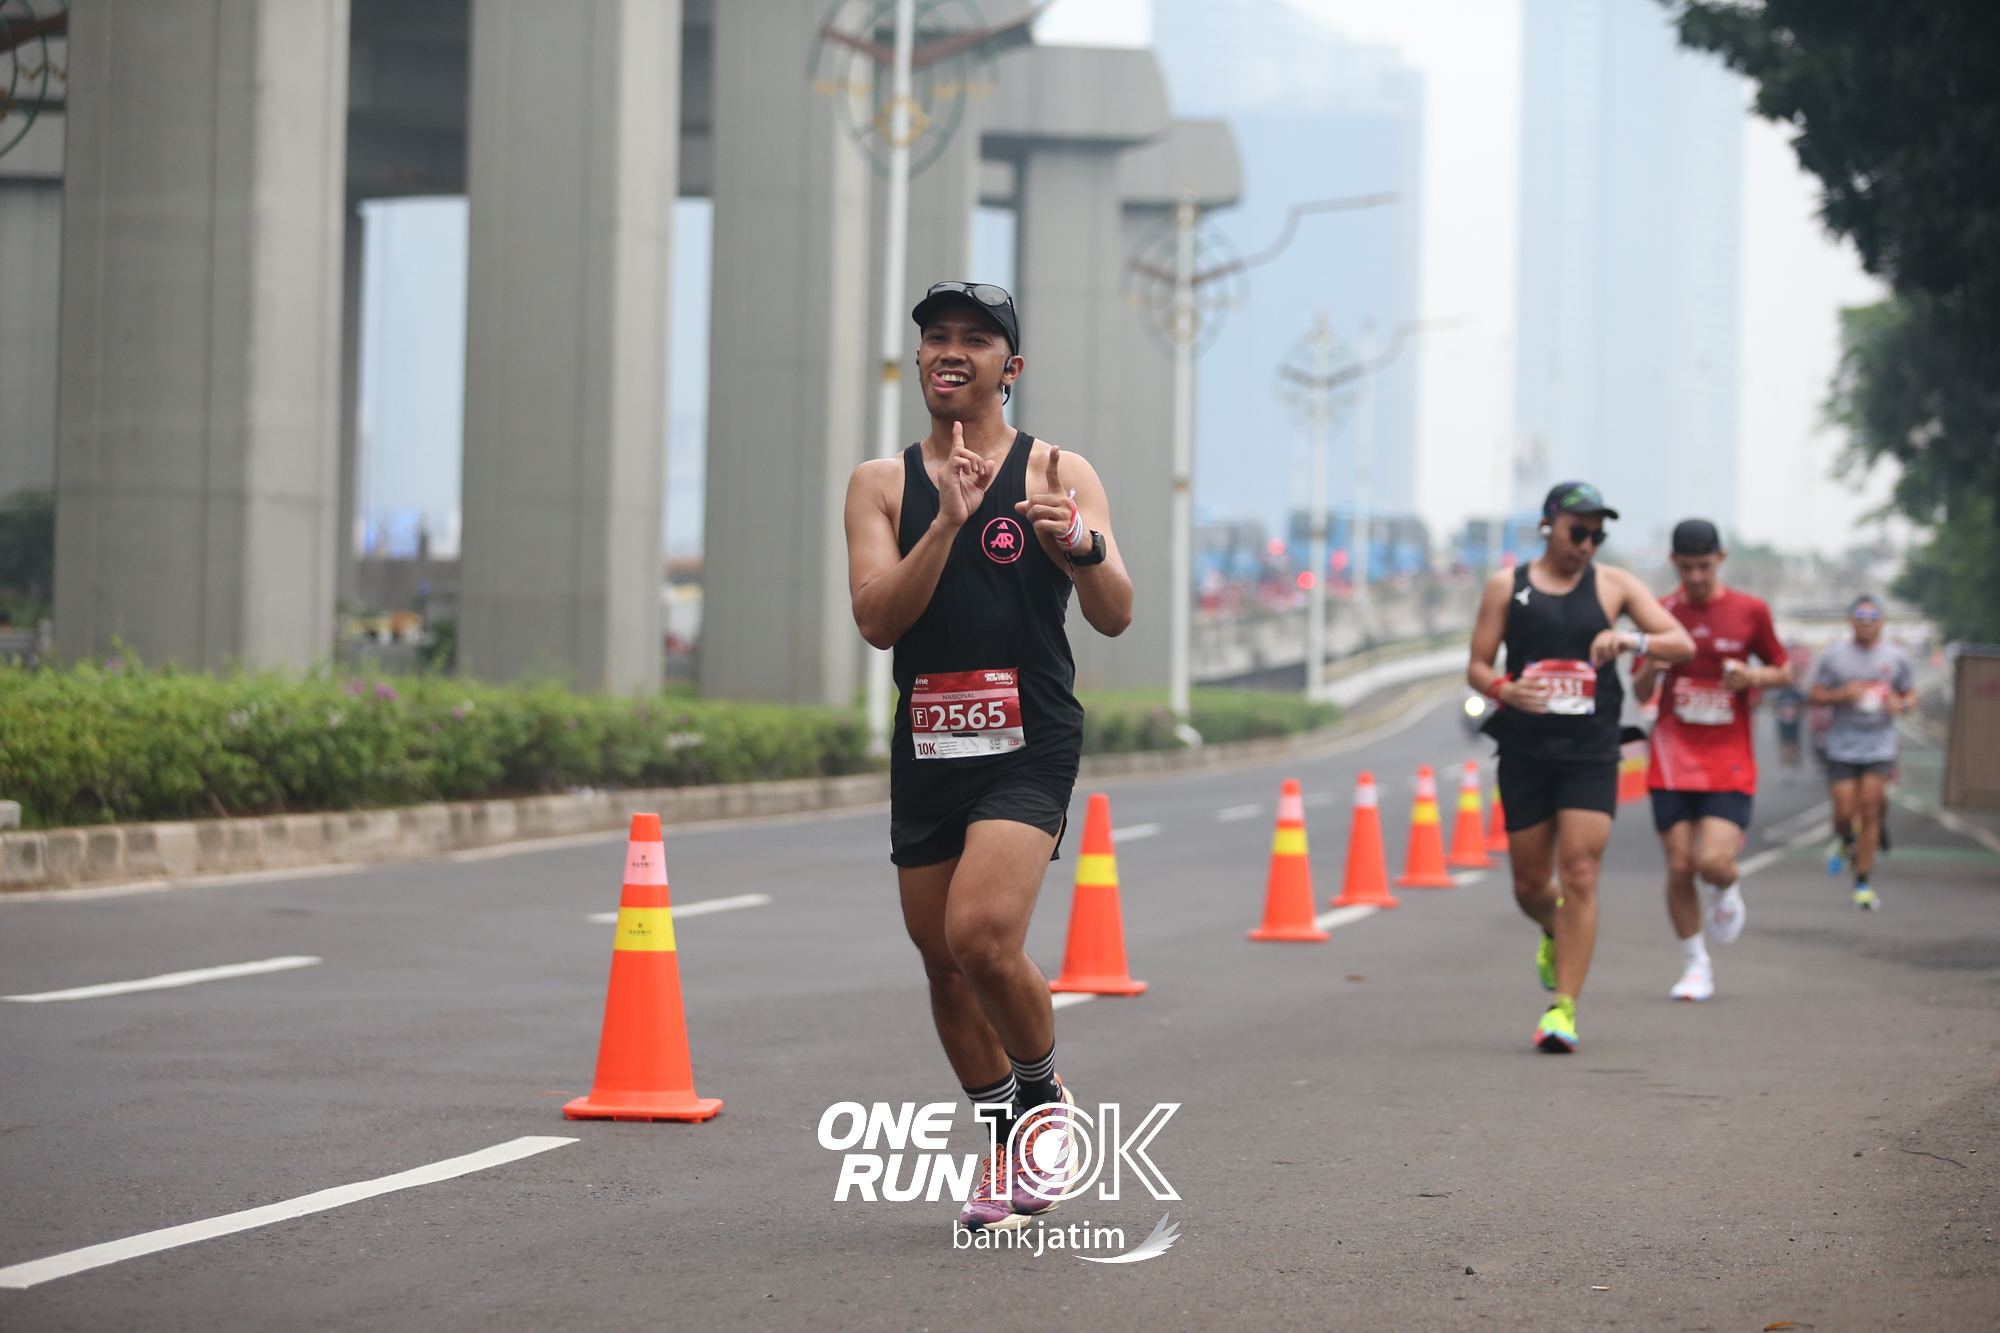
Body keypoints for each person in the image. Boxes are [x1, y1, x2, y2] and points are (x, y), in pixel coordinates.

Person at [843, 281, 1133, 1231]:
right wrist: (946, 523)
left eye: (975, 339)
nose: (952, 351)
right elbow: (878, 620)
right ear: (920, 359)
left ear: (1011, 367)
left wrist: (1083, 544)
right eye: (937, 336)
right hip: (930, 741)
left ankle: (1044, 1104)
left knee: (981, 937)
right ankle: (1007, 1139)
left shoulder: (1056, 469)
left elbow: (1116, 613)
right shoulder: (880, 485)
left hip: (1028, 738)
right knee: (942, 963)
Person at [1468, 482, 1693, 1053]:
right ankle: (1554, 926)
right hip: (1525, 750)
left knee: (1582, 873)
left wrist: (1630, 640)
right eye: (1578, 532)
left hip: (1591, 751)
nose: (1587, 544)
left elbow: (1682, 644)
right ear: (1549, 525)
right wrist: (1503, 690)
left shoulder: (1615, 585)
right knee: (1529, 884)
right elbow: (1477, 665)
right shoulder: (1506, 587)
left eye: (1597, 534)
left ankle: (1561, 1011)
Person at [1631, 520, 1791, 1002]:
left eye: (1704, 566)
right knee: (1680, 866)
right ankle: (1695, 964)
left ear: (1720, 559)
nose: (1696, 577)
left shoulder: (1750, 611)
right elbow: (1638, 689)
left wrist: (1751, 678)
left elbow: (1783, 671)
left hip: (1728, 760)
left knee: (1713, 863)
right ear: (1673, 563)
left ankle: (1725, 889)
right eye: (1686, 568)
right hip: (1671, 760)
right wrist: (1653, 666)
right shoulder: (1660, 613)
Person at [1807, 595, 1916, 910]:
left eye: (1873, 617)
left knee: (1869, 808)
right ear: (1850, 620)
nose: (1867, 623)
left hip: (1879, 743)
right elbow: (1814, 694)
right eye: (1861, 616)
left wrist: (1901, 704)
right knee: (1844, 813)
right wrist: (1843, 694)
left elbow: (1910, 693)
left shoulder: (1897, 657)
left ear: (1882, 622)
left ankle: (1862, 883)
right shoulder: (1834, 657)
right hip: (1842, 744)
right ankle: (1844, 840)